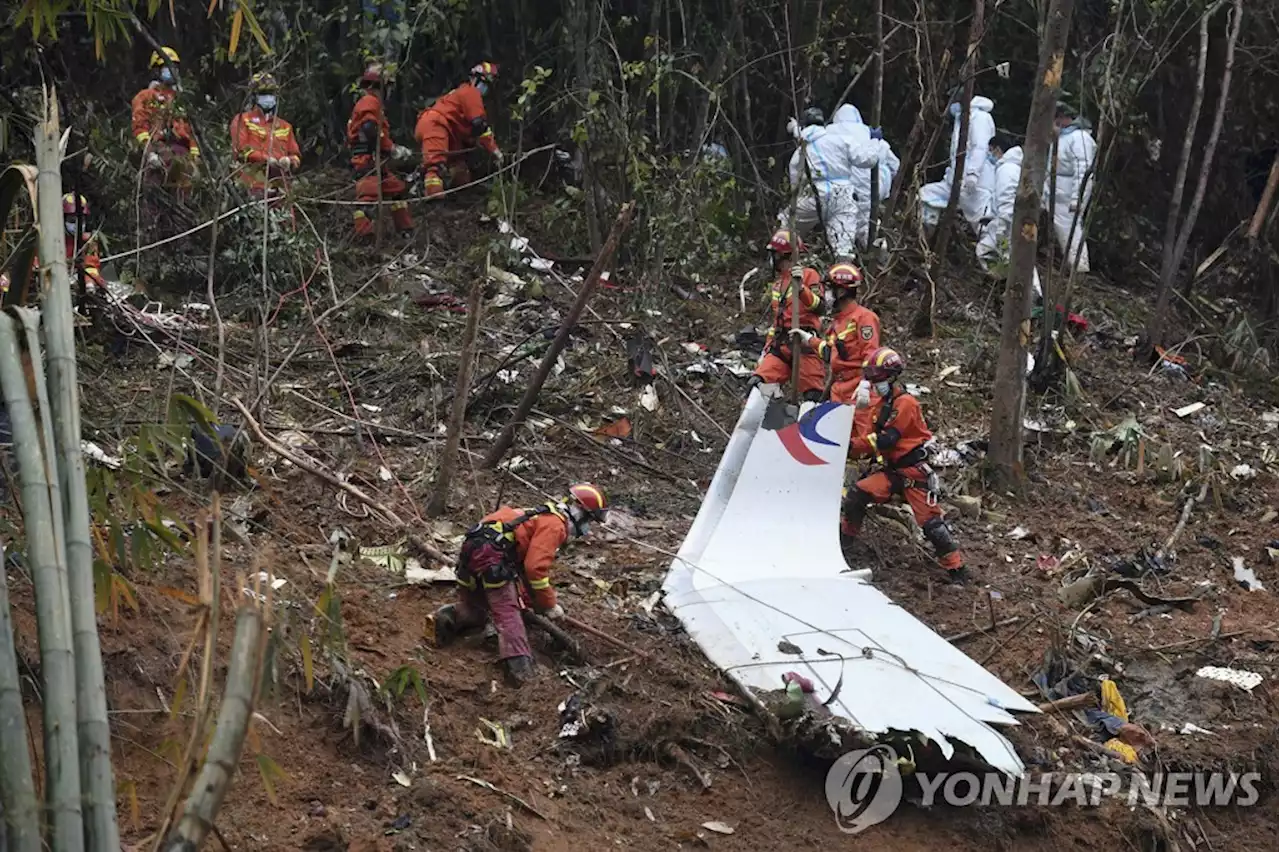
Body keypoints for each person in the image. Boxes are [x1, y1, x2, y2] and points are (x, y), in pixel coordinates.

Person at [433, 483, 609, 684]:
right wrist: (550, 604)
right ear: (579, 511)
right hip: (491, 556)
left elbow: (523, 570)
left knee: (478, 608)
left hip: (474, 549)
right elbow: (535, 569)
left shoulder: (537, 515)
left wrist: (533, 602)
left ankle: (447, 618)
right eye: (589, 520)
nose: (587, 528)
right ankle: (521, 675)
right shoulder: (555, 525)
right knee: (508, 614)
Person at [841, 347, 966, 583]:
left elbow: (887, 439)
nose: (873, 383)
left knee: (932, 525)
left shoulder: (906, 403)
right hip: (891, 472)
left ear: (890, 377)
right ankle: (845, 542)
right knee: (857, 494)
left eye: (877, 378)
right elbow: (868, 436)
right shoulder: (878, 405)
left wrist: (852, 446)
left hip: (913, 472)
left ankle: (956, 569)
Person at [779, 106, 895, 256]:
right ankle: (849, 272)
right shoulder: (841, 140)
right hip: (843, 194)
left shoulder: (803, 146)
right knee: (843, 244)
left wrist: (797, 195)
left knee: (788, 228)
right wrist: (875, 141)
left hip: (814, 195)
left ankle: (778, 265)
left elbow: (795, 172)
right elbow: (869, 159)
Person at [746, 230, 826, 402]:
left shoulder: (809, 275)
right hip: (781, 347)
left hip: (804, 345)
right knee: (757, 383)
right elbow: (777, 322)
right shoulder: (778, 284)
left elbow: (820, 307)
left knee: (813, 398)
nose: (771, 259)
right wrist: (765, 350)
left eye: (773, 254)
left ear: (784, 255)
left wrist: (802, 289)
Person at [346, 63, 415, 239]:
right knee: (367, 201)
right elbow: (370, 128)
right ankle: (364, 237)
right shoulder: (370, 102)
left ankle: (405, 231)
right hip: (367, 161)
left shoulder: (372, 103)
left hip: (378, 162)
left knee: (397, 190)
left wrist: (394, 148)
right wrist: (391, 148)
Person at [414, 62, 503, 197]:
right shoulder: (470, 92)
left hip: (445, 131)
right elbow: (479, 125)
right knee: (435, 166)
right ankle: (434, 200)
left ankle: (453, 196)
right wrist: (494, 150)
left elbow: (468, 130)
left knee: (460, 169)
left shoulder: (460, 93)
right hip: (436, 126)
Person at [919, 95, 996, 233]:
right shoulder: (960, 119)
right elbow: (957, 156)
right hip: (956, 181)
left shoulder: (980, 118)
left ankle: (993, 251)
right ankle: (925, 238)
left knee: (982, 225)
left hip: (976, 184)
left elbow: (979, 147)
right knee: (927, 194)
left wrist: (973, 174)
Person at [131, 47, 200, 190]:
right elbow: (140, 127)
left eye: (174, 67)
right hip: (159, 150)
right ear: (156, 70)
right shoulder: (145, 96)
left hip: (182, 155)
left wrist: (195, 159)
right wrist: (150, 153)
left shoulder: (181, 99)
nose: (171, 70)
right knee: (155, 196)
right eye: (167, 67)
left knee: (183, 199)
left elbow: (191, 131)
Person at [830, 105, 900, 247]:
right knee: (868, 225)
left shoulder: (830, 134)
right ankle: (877, 258)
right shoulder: (871, 135)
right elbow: (895, 165)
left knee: (843, 224)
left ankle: (844, 257)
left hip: (842, 190)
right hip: (872, 191)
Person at [229, 73, 302, 200]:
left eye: (271, 93)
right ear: (254, 96)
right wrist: (266, 159)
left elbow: (296, 155)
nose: (268, 97)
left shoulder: (285, 126)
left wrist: (289, 161)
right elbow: (240, 151)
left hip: (281, 186)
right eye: (263, 93)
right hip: (252, 185)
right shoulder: (243, 120)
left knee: (285, 218)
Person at [816, 260, 880, 404]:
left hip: (858, 392)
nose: (826, 293)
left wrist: (865, 384)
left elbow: (870, 354)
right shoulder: (838, 321)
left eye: (829, 288)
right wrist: (808, 340)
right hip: (838, 391)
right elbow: (831, 355)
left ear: (842, 291)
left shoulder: (864, 318)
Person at [1048, 102, 1096, 273]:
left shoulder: (1079, 139)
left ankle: (1079, 267)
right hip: (1057, 191)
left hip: (1068, 194)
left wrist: (1078, 198)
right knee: (1061, 229)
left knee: (1070, 230)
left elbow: (1083, 171)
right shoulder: (1061, 137)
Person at [975, 132, 1021, 270]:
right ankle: (1004, 284)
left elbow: (1007, 199)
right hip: (1010, 221)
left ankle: (1025, 289)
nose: (989, 154)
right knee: (1011, 257)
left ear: (998, 149)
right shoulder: (1014, 167)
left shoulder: (1006, 170)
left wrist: (1002, 227)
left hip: (1008, 224)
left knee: (1011, 258)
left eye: (990, 150)